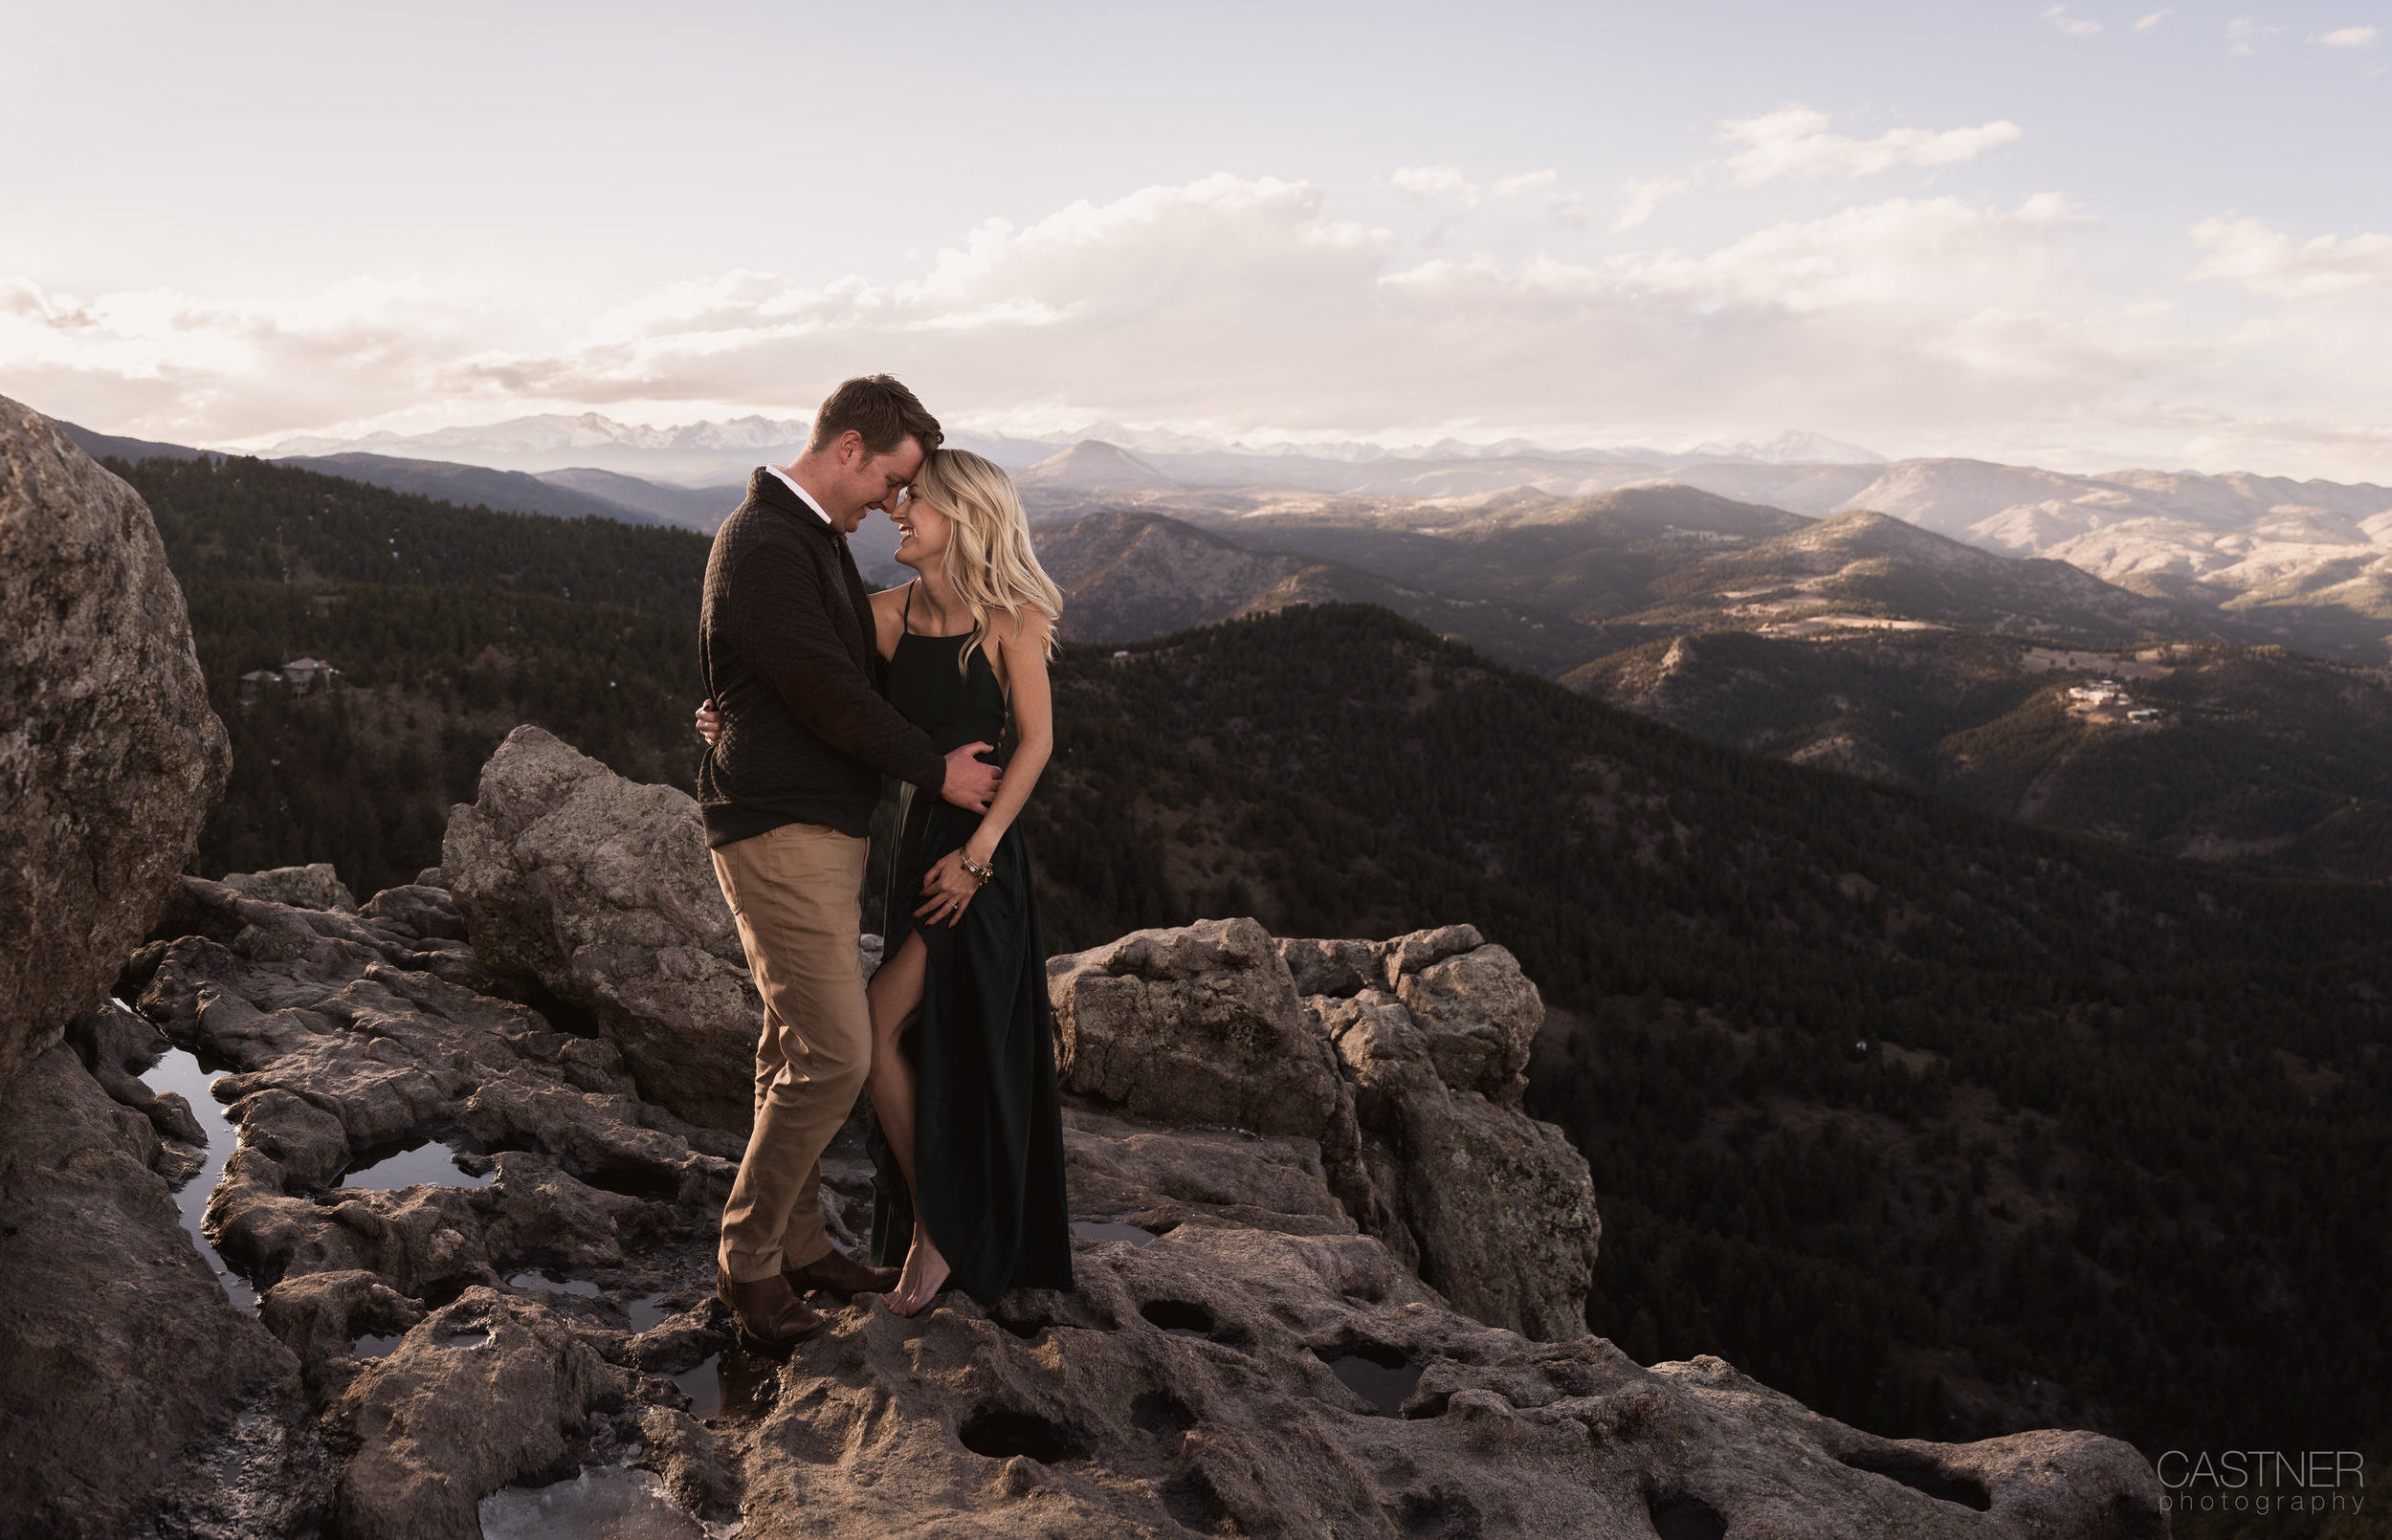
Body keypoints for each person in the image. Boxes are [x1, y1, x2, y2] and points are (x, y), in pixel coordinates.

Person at [698, 447, 1074, 1318]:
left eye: (918, 503)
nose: (898, 512)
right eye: (898, 497)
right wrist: (726, 713)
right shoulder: (888, 616)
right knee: (892, 1036)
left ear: (966, 520)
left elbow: (1039, 745)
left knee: (883, 1025)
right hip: (916, 845)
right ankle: (937, 1223)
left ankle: (937, 1230)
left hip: (979, 859)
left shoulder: (1013, 617)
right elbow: (804, 681)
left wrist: (978, 858)